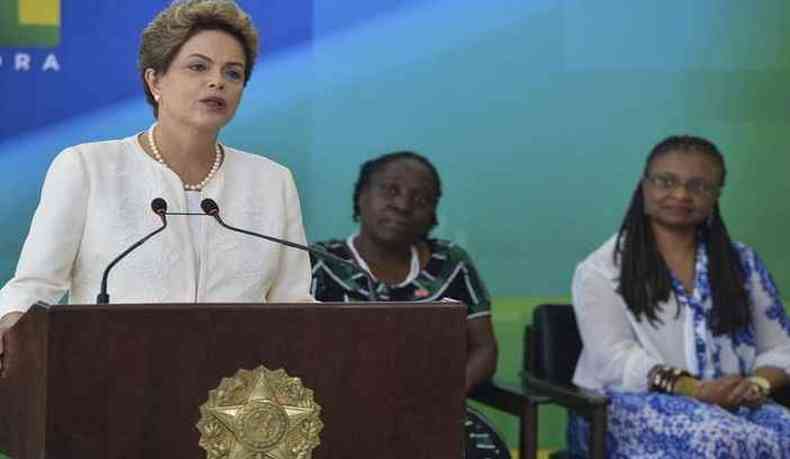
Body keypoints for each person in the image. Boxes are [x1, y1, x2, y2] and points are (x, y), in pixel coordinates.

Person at [0, 0, 313, 373]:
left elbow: (293, 304)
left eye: (233, 73)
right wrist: (10, 322)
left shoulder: (272, 181)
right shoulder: (88, 167)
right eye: (198, 67)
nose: (217, 81)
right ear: (155, 80)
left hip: (237, 400)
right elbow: (35, 286)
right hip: (114, 384)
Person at [569, 135, 790, 458]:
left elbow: (780, 347)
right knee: (718, 439)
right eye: (666, 181)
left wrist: (754, 386)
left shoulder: (744, 263)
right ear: (644, 188)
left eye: (699, 186)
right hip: (621, 409)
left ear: (715, 195)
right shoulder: (601, 268)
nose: (681, 194)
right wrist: (697, 390)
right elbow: (612, 360)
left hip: (734, 403)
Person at [309, 152, 508, 457]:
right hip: (335, 417)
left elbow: (484, 349)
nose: (403, 205)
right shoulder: (319, 263)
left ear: (433, 214)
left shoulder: (451, 264)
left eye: (421, 199)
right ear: (362, 196)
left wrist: (445, 397)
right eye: (390, 190)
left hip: (434, 416)